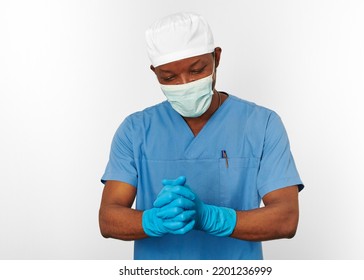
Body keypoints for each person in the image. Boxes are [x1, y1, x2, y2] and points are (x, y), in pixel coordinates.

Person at [99, 12, 304, 260]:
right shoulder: (135, 130)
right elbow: (108, 219)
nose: (185, 84)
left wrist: (209, 217)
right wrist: (153, 221)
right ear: (155, 73)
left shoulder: (262, 124)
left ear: (216, 58)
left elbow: (286, 218)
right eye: (169, 77)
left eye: (196, 70)